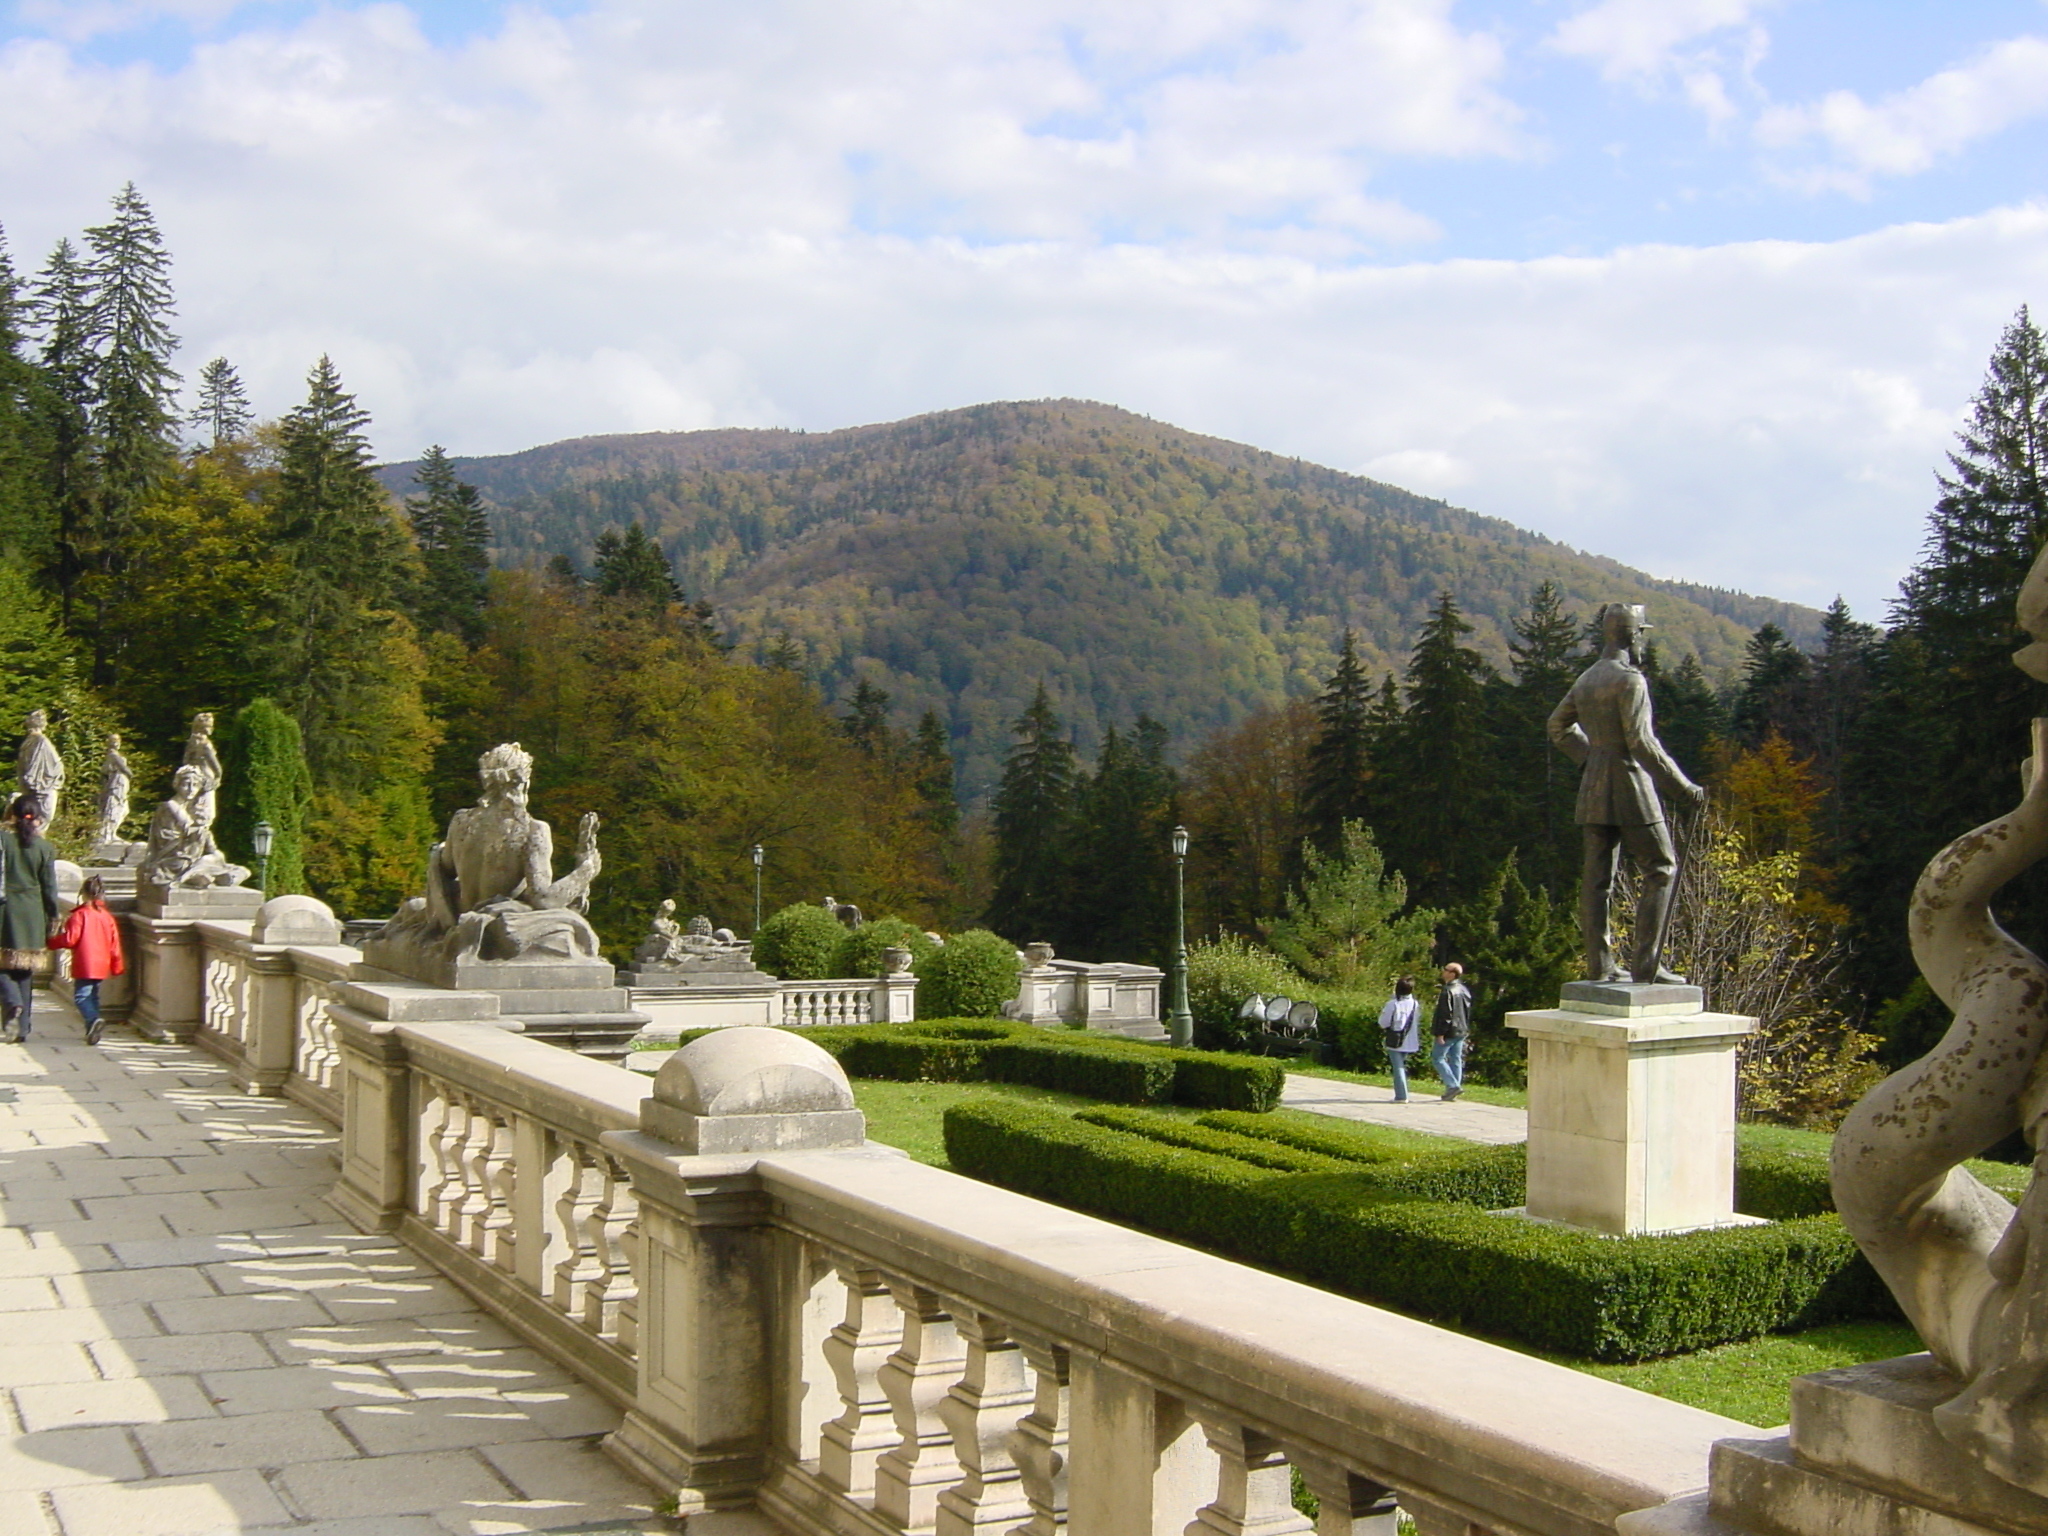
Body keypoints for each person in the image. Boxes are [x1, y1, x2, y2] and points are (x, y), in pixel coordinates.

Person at [1547, 602, 1706, 983]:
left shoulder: (1587, 679)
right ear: (1633, 635)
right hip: (1631, 785)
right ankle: (1646, 966)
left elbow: (1557, 726)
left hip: (1594, 788)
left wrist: (1590, 759)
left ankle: (1599, 965)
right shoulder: (1629, 680)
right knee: (1662, 867)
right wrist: (1682, 788)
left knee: (1597, 878)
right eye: (1642, 634)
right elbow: (1640, 742)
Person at [0, 797, 61, 1044]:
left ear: (12, 815)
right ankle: (22, 1029)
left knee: (2, 966)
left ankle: (12, 1001)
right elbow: (50, 888)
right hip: (32, 912)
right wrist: (53, 915)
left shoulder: (3, 840)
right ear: (37, 818)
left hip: (4, 910)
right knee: (25, 972)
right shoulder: (44, 848)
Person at [50, 875, 123, 1046]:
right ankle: (92, 1029)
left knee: (81, 997)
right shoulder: (106, 916)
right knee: (93, 995)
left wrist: (52, 941)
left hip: (85, 961)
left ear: (83, 893)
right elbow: (115, 944)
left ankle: (93, 1019)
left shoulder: (80, 915)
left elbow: (70, 940)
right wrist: (116, 965)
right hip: (101, 963)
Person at [1432, 962, 1472, 1102]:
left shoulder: (1447, 991)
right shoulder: (1463, 989)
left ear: (1452, 973)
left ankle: (1452, 1085)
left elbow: (1445, 1014)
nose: (1443, 972)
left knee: (1437, 1058)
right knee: (1456, 1059)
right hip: (1461, 1029)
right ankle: (1454, 1088)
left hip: (1449, 1030)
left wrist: (1440, 1033)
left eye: (1445, 969)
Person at [1378, 976, 1422, 1102]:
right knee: (1401, 1065)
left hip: (1396, 1039)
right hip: (1410, 1039)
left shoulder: (1393, 1004)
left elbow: (1383, 1022)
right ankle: (1402, 1094)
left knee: (1398, 1067)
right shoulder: (1415, 1003)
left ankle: (1401, 1095)